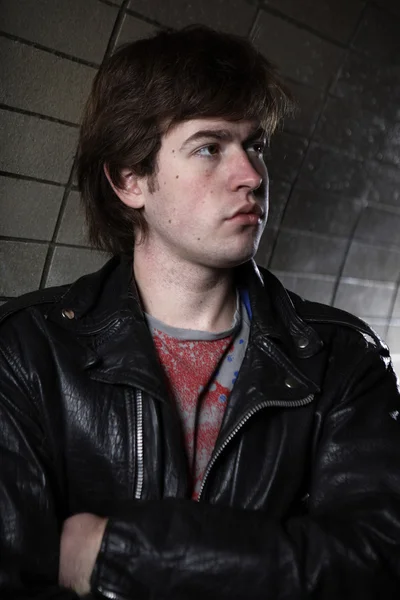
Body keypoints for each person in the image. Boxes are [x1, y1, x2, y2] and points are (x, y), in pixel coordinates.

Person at [0, 25, 400, 600]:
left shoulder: (341, 358)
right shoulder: (29, 352)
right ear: (130, 179)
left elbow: (373, 566)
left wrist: (120, 553)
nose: (253, 176)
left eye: (254, 145)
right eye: (210, 147)